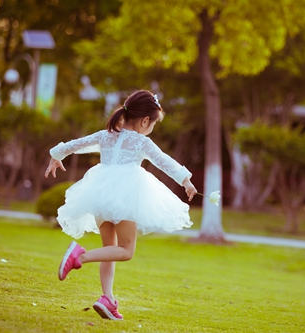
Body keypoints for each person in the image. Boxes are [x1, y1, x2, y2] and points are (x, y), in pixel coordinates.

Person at [44, 90, 197, 321]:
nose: (152, 128)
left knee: (110, 251)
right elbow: (163, 160)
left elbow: (78, 144)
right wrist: (185, 180)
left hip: (99, 193)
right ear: (146, 121)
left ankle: (108, 300)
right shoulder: (141, 141)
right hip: (124, 195)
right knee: (126, 251)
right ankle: (79, 257)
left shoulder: (107, 135)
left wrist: (57, 154)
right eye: (153, 123)